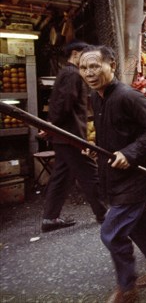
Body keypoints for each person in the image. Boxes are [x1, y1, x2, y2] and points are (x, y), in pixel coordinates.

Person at [78, 45, 146, 303]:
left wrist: (130, 153)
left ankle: (127, 288)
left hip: (136, 177)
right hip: (115, 176)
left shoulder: (128, 96)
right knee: (142, 226)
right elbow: (114, 132)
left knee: (112, 232)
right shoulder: (97, 97)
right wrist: (100, 150)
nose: (89, 72)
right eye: (83, 67)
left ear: (112, 65)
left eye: (95, 66)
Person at [40, 40, 107, 233]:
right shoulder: (73, 73)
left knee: (61, 176)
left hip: (64, 133)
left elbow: (60, 101)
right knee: (89, 173)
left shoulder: (66, 72)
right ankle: (103, 212)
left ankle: (50, 218)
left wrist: (52, 124)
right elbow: (65, 101)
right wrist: (53, 124)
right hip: (70, 134)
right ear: (76, 54)